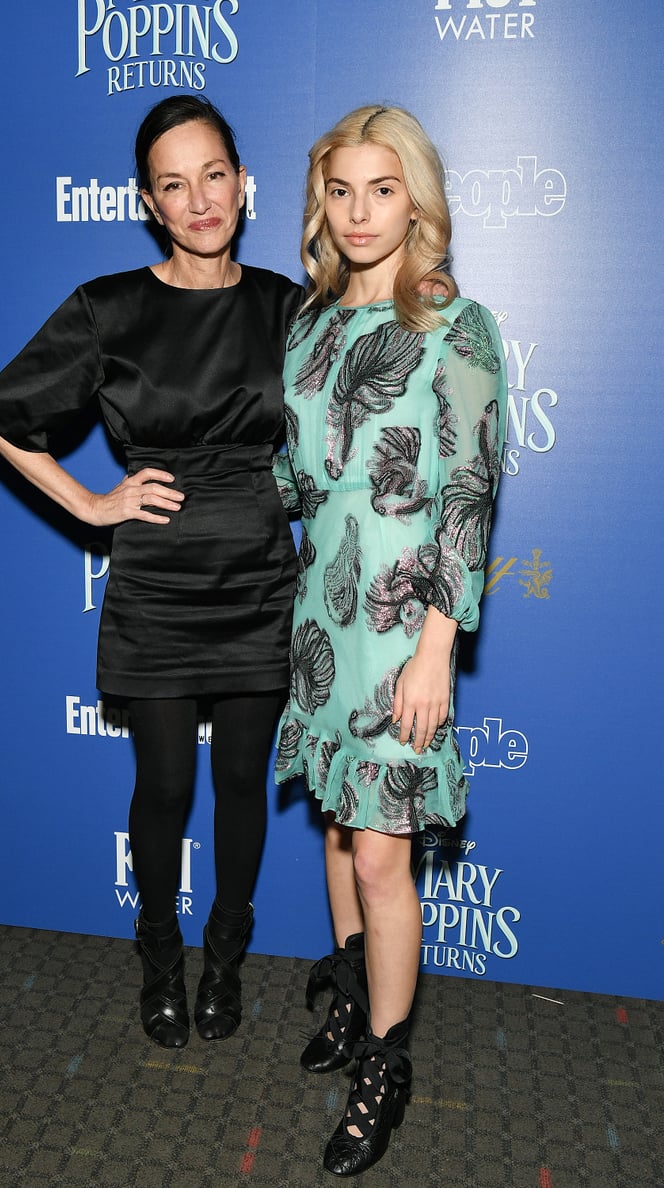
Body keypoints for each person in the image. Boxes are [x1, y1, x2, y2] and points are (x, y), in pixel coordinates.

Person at [0, 95, 304, 1050]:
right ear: (149, 204)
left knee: (243, 780)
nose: (198, 199)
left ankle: (225, 961)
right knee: (163, 787)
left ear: (243, 185)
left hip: (259, 575)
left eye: (213, 176)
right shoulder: (108, 307)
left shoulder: (291, 306)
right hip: (157, 578)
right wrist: (90, 502)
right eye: (173, 184)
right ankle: (158, 957)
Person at [274, 105, 507, 1176]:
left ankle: (386, 1060)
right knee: (335, 828)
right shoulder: (310, 326)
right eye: (340, 190)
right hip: (321, 611)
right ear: (320, 203)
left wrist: (436, 644)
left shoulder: (454, 326)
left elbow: (469, 490)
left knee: (381, 851)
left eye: (382, 189)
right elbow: (294, 477)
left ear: (416, 199)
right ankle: (354, 989)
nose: (360, 211)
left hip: (401, 621)